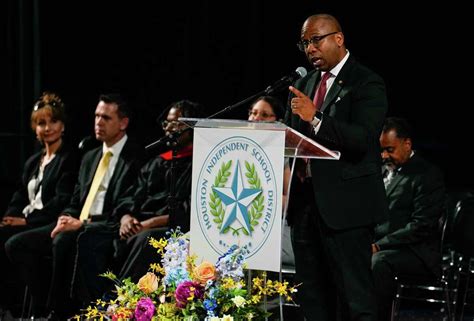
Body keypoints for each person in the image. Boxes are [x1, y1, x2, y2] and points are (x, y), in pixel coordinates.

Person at [285, 14, 388, 320]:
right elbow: (294, 138)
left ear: (339, 39)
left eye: (316, 39)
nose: (310, 49)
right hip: (305, 205)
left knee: (355, 298)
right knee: (313, 297)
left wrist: (316, 118)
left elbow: (362, 139)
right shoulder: (303, 83)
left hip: (346, 209)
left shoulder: (366, 81)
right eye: (305, 42)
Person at [5, 93, 144, 318]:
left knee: (63, 241)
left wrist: (82, 222)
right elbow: (75, 199)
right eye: (97, 116)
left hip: (104, 226)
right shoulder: (90, 156)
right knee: (17, 244)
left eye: (106, 118)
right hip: (77, 221)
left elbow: (126, 204)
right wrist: (66, 216)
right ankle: (30, 306)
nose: (98, 122)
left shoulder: (135, 157)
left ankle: (57, 311)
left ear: (123, 123)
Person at [0, 92, 78, 316]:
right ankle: (9, 306)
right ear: (34, 128)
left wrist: (25, 220)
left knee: (14, 244)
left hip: (48, 222)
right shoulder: (33, 162)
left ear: (63, 125)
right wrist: (9, 217)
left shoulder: (69, 158)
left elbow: (61, 200)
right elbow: (19, 197)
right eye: (41, 123)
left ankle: (42, 304)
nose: (48, 128)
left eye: (53, 121)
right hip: (27, 220)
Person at [113, 99, 201, 282]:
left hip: (171, 229)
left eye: (176, 123)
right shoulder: (156, 163)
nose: (169, 128)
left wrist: (149, 223)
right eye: (167, 122)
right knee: (91, 237)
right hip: (138, 226)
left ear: (191, 127)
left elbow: (190, 211)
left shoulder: (199, 166)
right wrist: (126, 218)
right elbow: (130, 197)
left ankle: (118, 296)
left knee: (147, 238)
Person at [371, 117, 445, 321]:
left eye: (390, 149)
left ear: (407, 144)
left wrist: (379, 245)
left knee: (378, 262)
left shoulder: (427, 174)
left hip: (415, 251)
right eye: (381, 150)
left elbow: (421, 226)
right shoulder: (383, 171)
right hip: (383, 246)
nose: (384, 155)